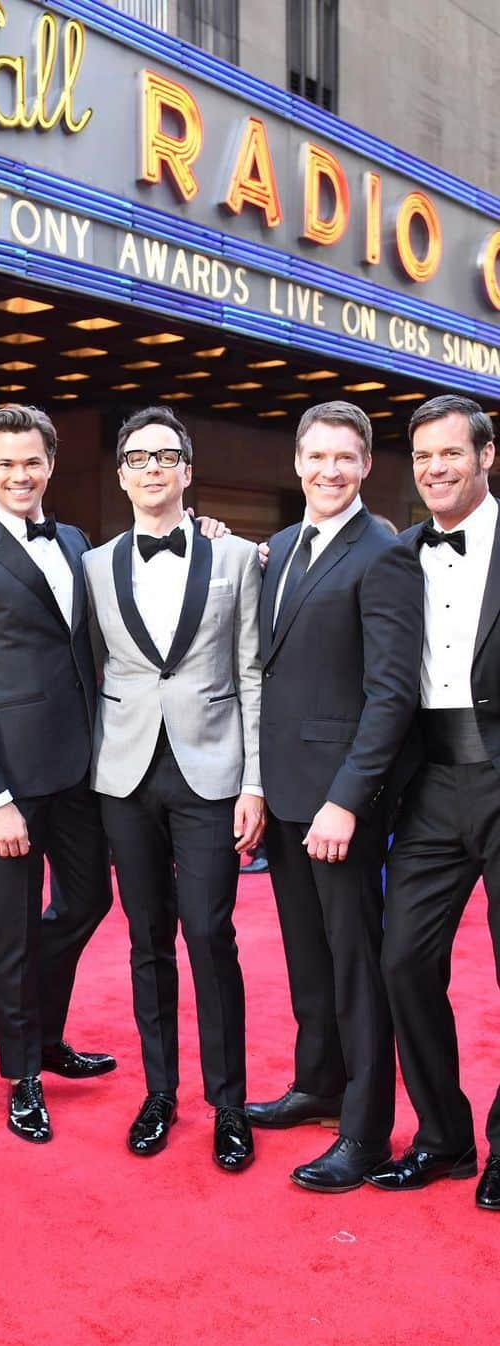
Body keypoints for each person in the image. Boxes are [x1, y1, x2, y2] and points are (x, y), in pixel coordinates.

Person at [246, 400, 421, 1193]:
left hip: (340, 801)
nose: (329, 470)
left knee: (356, 964)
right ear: (297, 462)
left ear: (366, 465)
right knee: (308, 955)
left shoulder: (382, 551)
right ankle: (317, 1083)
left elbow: (391, 693)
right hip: (284, 791)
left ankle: (367, 1128)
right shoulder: (280, 546)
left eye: (345, 458)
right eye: (317, 457)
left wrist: (349, 799)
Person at [84, 406, 263, 1171]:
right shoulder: (92, 565)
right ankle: (161, 1092)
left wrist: (255, 781)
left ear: (188, 471)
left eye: (166, 456)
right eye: (137, 457)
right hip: (124, 773)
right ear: (121, 474)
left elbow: (253, 671)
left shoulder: (238, 560)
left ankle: (229, 1104)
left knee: (210, 933)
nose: (152, 468)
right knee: (145, 937)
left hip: (213, 771)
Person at [0, 403, 115, 1146]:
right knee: (11, 932)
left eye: (31, 461)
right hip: (10, 782)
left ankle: (43, 1034)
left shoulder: (74, 540)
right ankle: (23, 1074)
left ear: (51, 462)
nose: (20, 474)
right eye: (5, 463)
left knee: (88, 902)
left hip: (81, 769)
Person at [366, 394, 500, 1212]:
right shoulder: (397, 552)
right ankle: (444, 1137)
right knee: (404, 960)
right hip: (430, 787)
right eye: (422, 459)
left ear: (488, 456)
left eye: (451, 454)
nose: (436, 470)